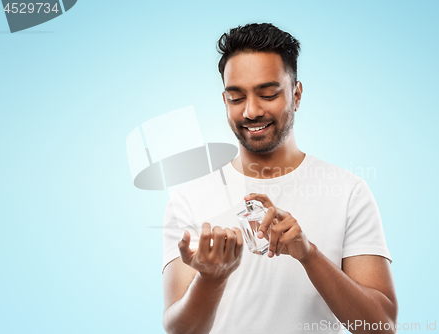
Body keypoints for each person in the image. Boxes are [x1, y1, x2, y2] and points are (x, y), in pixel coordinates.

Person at [162, 23, 398, 334]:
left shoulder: (348, 192)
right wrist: (211, 279)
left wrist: (309, 255)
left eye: (268, 93)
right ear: (224, 102)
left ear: (296, 95)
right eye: (236, 97)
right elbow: (180, 331)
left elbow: (381, 327)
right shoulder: (189, 198)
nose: (251, 111)